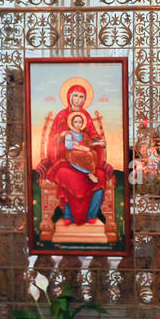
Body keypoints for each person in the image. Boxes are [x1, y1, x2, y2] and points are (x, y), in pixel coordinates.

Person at [36, 82, 112, 227]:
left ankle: (91, 214)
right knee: (66, 175)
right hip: (65, 160)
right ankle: (68, 215)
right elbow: (53, 138)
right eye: (75, 96)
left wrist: (98, 141)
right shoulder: (61, 115)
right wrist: (62, 135)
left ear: (85, 99)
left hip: (85, 160)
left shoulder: (86, 116)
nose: (78, 100)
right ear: (69, 97)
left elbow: (92, 134)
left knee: (101, 176)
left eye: (81, 97)